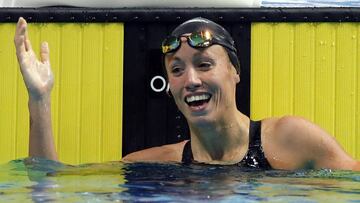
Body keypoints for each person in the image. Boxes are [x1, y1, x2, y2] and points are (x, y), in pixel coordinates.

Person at [14, 17, 360, 171]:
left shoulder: (289, 138)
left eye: (204, 64)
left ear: (235, 72)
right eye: (177, 70)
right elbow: (48, 186)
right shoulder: (153, 164)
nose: (190, 79)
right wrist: (40, 101)